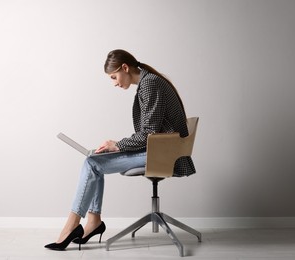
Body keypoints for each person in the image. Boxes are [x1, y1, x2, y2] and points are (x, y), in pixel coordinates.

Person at [45, 49, 196, 251]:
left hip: (165, 155)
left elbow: (149, 133)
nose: (115, 83)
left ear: (125, 67)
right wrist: (115, 147)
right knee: (94, 161)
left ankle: (74, 226)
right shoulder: (148, 82)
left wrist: (117, 145)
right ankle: (93, 221)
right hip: (162, 149)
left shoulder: (150, 84)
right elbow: (150, 134)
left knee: (92, 163)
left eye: (114, 77)